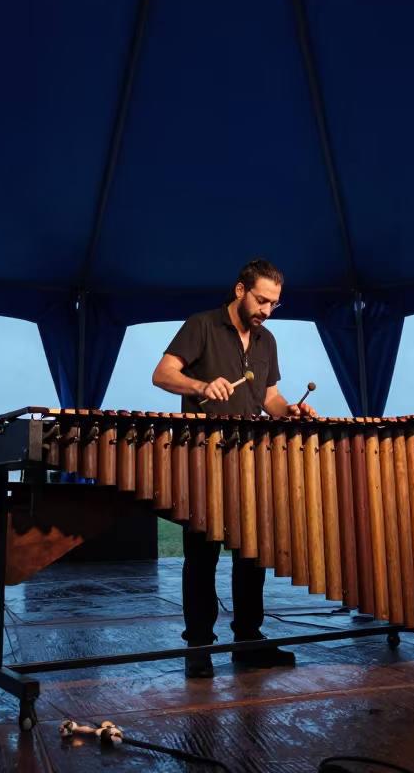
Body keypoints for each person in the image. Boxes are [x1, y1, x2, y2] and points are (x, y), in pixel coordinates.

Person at [152, 259, 317, 679]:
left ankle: (247, 639)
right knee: (202, 555)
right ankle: (199, 648)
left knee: (251, 554)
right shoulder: (202, 326)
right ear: (240, 290)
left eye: (274, 304)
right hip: (203, 457)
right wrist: (201, 386)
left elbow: (271, 399)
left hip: (251, 460)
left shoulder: (267, 340)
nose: (266, 309)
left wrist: (291, 411)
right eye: (261, 300)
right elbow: (163, 374)